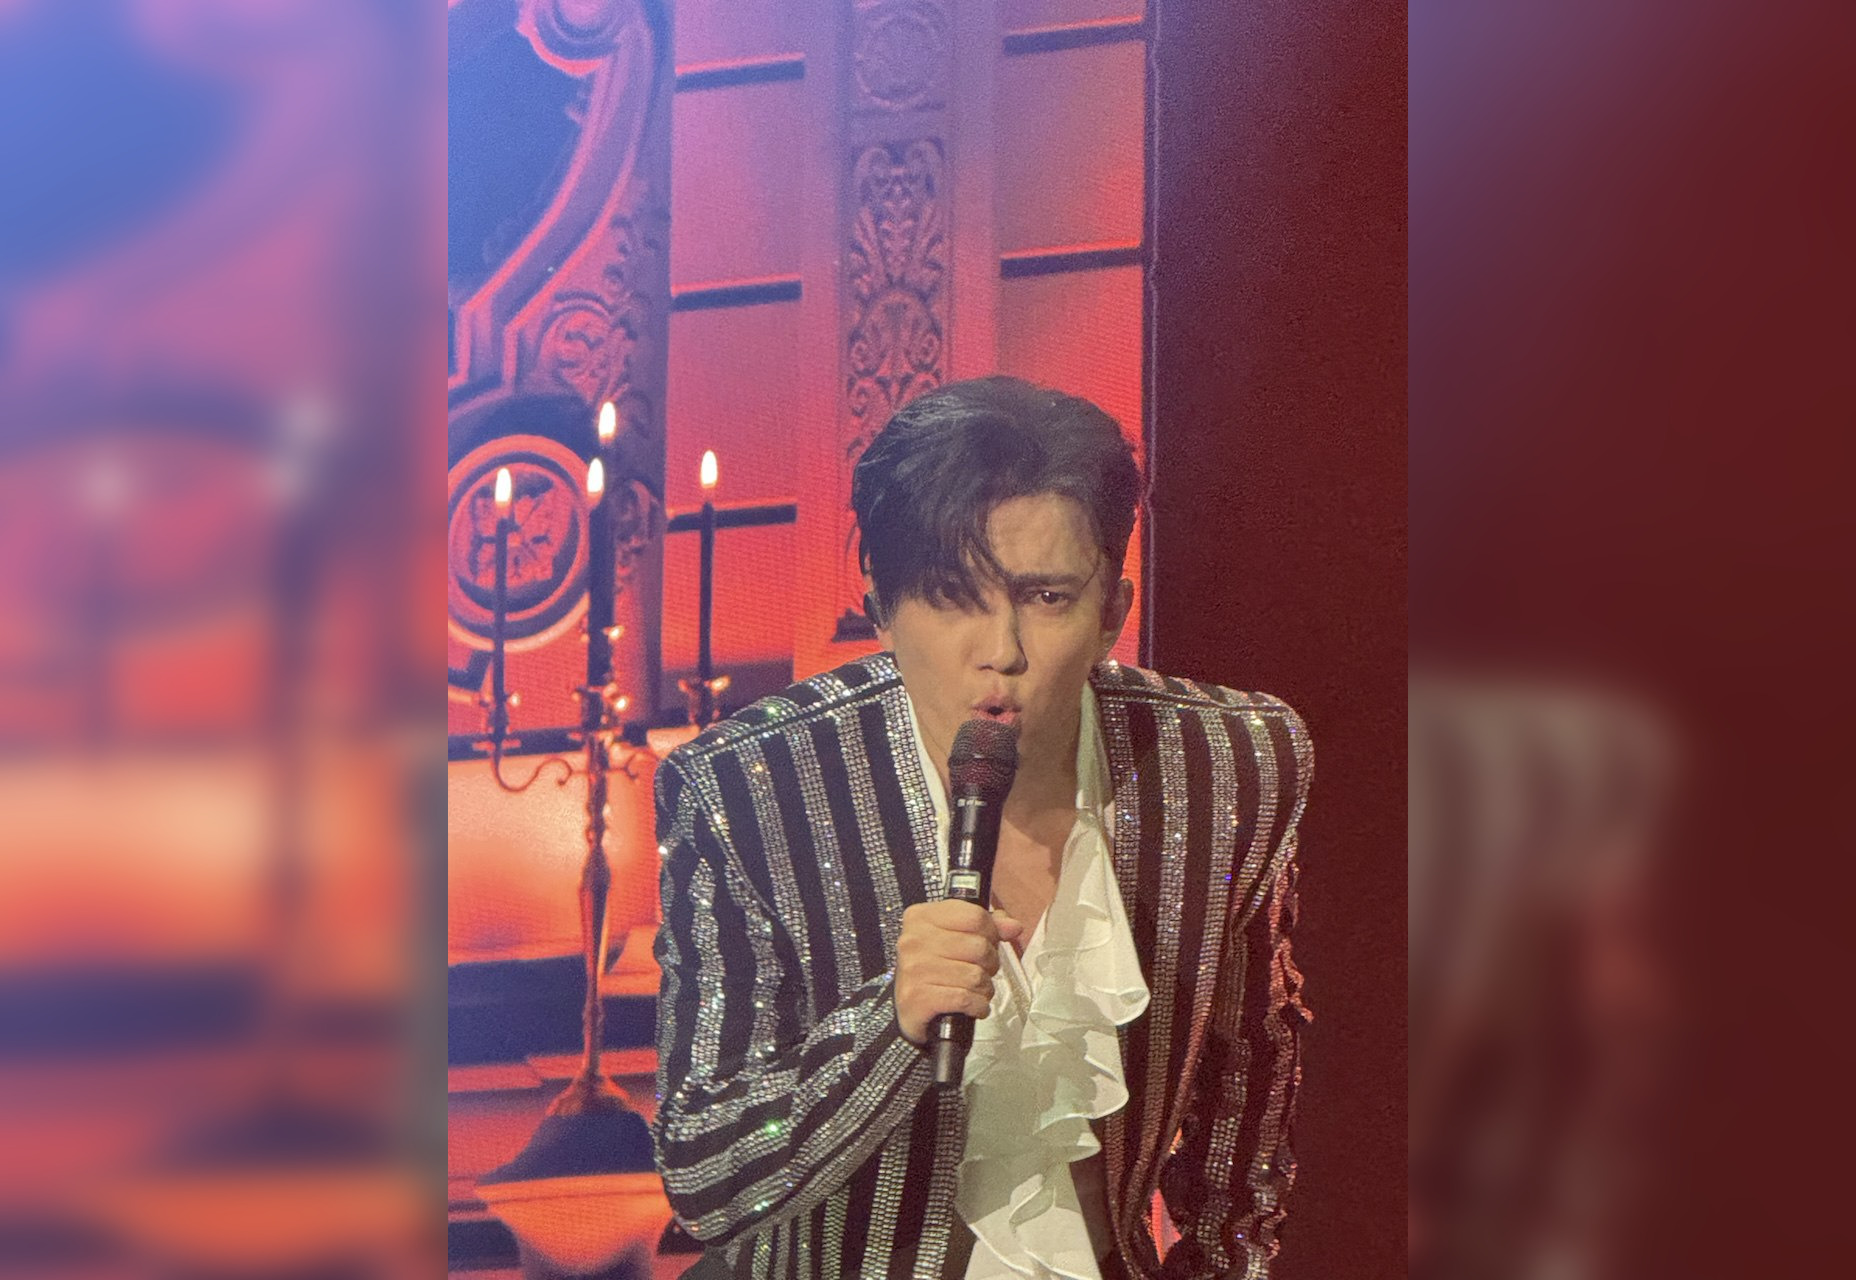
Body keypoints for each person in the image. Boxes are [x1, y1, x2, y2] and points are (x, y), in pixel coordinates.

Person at [652, 377, 1312, 1280]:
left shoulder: (1225, 765)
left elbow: (1249, 1107)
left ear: (1112, 613)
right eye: (952, 596)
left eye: (1047, 598)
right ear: (880, 609)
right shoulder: (749, 788)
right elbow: (705, 1176)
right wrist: (889, 1027)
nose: (1001, 649)